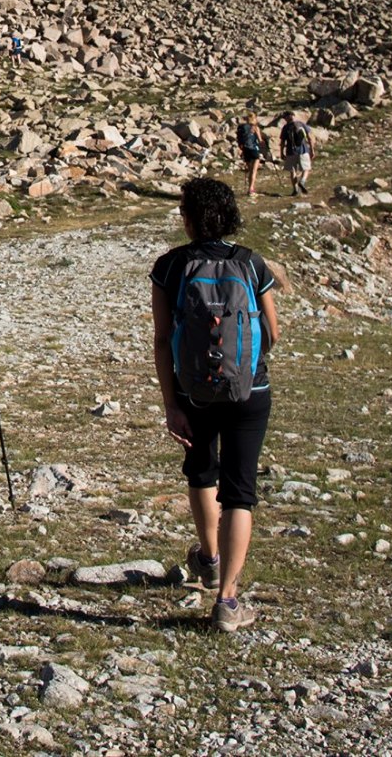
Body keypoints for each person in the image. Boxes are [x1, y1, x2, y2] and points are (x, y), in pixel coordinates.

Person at [150, 177, 285, 633]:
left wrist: (172, 403)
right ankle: (228, 601)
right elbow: (273, 331)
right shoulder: (250, 263)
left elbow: (163, 340)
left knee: (201, 470)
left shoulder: (170, 267)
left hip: (193, 390)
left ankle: (207, 559)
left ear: (190, 218)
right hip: (251, 390)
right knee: (240, 491)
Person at [279, 114, 313, 196]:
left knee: (292, 171)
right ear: (293, 116)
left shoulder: (285, 128)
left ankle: (295, 189)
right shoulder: (301, 124)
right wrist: (312, 149)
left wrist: (281, 153)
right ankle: (302, 181)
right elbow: (309, 137)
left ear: (287, 119)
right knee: (306, 168)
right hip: (303, 150)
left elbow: (282, 142)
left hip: (290, 151)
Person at [236, 111, 267, 199]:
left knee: (250, 170)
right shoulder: (255, 127)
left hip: (245, 150)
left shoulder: (242, 127)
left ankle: (250, 188)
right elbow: (260, 140)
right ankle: (251, 189)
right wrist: (264, 144)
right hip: (253, 149)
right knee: (254, 171)